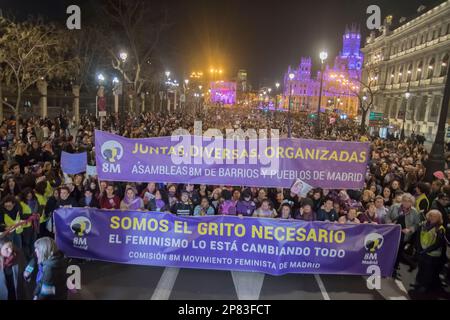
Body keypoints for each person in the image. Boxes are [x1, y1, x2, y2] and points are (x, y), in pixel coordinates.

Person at [413, 210, 446, 293]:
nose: (432, 218)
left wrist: (426, 250)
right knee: (421, 268)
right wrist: (418, 248)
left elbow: (438, 244)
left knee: (428, 272)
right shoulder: (423, 224)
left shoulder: (440, 229)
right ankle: (418, 283)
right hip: (422, 251)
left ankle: (424, 286)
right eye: (430, 215)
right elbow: (418, 236)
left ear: (439, 218)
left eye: (435, 217)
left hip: (432, 255)